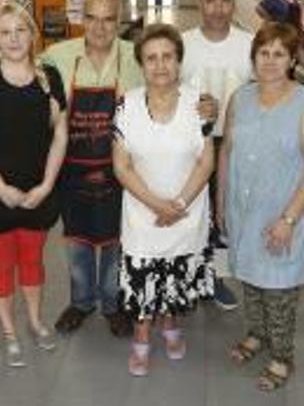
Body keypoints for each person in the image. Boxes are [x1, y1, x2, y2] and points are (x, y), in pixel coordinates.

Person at [219, 23, 304, 392]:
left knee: (278, 290)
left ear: (293, 60)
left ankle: (282, 355)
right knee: (250, 278)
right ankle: (256, 334)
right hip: (243, 210)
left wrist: (289, 219)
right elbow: (227, 152)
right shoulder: (241, 98)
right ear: (253, 57)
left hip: (283, 214)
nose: (269, 61)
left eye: (279, 54)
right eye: (263, 53)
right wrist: (221, 200)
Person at [0, 3, 68, 367]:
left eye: (20, 30)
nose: (14, 39)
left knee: (34, 262)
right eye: (5, 32)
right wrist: (2, 190)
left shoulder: (49, 77)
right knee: (2, 265)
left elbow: (60, 135)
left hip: (37, 193)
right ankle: (9, 332)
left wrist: (47, 185)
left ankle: (36, 322)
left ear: (32, 33)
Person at [113, 24, 215, 377]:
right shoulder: (126, 104)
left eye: (168, 57)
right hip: (143, 214)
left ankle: (170, 323)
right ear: (141, 64)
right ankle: (141, 334)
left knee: (174, 273)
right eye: (151, 58)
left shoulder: (198, 104)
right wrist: (157, 205)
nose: (160, 66)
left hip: (187, 212)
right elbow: (121, 166)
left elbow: (206, 160)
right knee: (144, 276)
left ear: (179, 61)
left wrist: (180, 204)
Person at [43, 0, 143, 338]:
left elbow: (172, 83)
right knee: (77, 243)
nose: (99, 27)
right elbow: (14, 67)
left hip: (121, 170)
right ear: (80, 18)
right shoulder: (56, 56)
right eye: (92, 18)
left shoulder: (138, 57)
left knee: (117, 242)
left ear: (120, 22)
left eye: (109, 19)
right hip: (72, 171)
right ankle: (81, 302)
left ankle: (113, 305)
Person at [180, 0, 253, 312]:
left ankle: (217, 279)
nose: (218, 9)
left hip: (235, 145)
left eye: (225, 0)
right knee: (193, 211)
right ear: (200, 2)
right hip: (192, 145)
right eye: (211, 0)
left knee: (225, 213)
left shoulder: (250, 44)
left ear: (233, 2)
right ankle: (189, 274)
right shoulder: (183, 44)